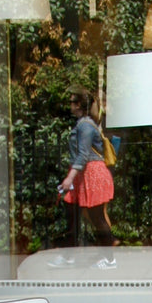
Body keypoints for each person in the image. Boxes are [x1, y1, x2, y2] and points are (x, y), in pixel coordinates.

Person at [59, 87, 118, 265]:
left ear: (78, 105)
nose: (69, 105)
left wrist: (69, 177)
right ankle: (71, 255)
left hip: (92, 173)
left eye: (71, 102)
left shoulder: (84, 125)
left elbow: (83, 154)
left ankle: (109, 259)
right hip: (87, 174)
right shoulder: (85, 123)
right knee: (79, 214)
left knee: (96, 216)